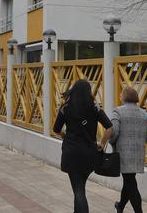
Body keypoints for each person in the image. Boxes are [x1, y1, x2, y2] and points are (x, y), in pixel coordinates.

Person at [53, 79, 113, 213]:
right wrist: (102, 143)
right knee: (80, 187)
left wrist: (65, 136)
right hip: (89, 153)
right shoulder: (94, 108)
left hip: (71, 152)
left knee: (78, 190)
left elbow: (56, 129)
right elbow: (109, 127)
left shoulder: (66, 108)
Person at [110, 86, 147, 213]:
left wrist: (112, 143)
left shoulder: (118, 111)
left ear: (124, 97)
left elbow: (114, 132)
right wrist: (139, 142)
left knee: (130, 182)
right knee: (129, 180)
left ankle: (138, 211)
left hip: (123, 154)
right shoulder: (143, 113)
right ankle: (120, 206)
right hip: (138, 154)